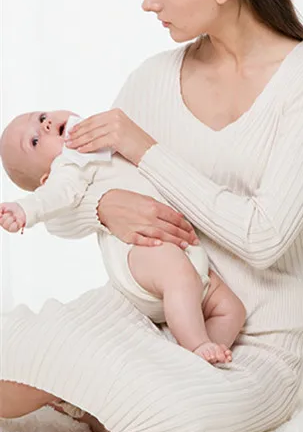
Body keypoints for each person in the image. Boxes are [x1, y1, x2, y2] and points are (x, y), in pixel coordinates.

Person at [0, 0, 303, 432]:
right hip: (139, 314)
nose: (148, 3)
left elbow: (264, 239)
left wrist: (146, 150)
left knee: (160, 423)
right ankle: (91, 387)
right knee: (10, 348)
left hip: (249, 347)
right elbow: (67, 195)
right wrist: (105, 207)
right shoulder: (152, 79)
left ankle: (89, 390)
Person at [0, 109, 247, 365]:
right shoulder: (69, 165)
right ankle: (197, 344)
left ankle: (198, 361)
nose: (46, 125)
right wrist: (24, 209)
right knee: (181, 277)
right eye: (35, 141)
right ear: (47, 177)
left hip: (186, 253)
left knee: (232, 310)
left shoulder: (106, 138)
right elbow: (56, 196)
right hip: (140, 253)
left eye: (41, 117)